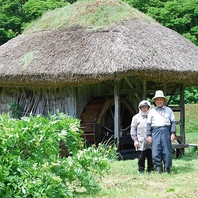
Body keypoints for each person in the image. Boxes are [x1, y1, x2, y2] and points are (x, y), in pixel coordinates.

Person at [147, 90, 176, 174]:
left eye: (160, 99)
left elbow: (173, 122)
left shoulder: (169, 110)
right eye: (157, 100)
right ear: (155, 101)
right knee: (156, 151)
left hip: (166, 130)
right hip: (155, 131)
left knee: (167, 151)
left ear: (163, 100)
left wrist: (173, 133)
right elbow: (148, 124)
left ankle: (167, 168)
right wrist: (149, 135)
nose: (159, 101)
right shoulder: (151, 111)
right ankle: (158, 168)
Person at [130, 100, 153, 174]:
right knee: (141, 157)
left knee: (151, 156)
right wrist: (135, 140)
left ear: (148, 107)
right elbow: (133, 129)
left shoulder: (152, 116)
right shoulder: (136, 117)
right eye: (142, 107)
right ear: (140, 108)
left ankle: (150, 170)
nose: (144, 109)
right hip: (140, 140)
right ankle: (141, 170)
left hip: (150, 140)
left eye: (146, 107)